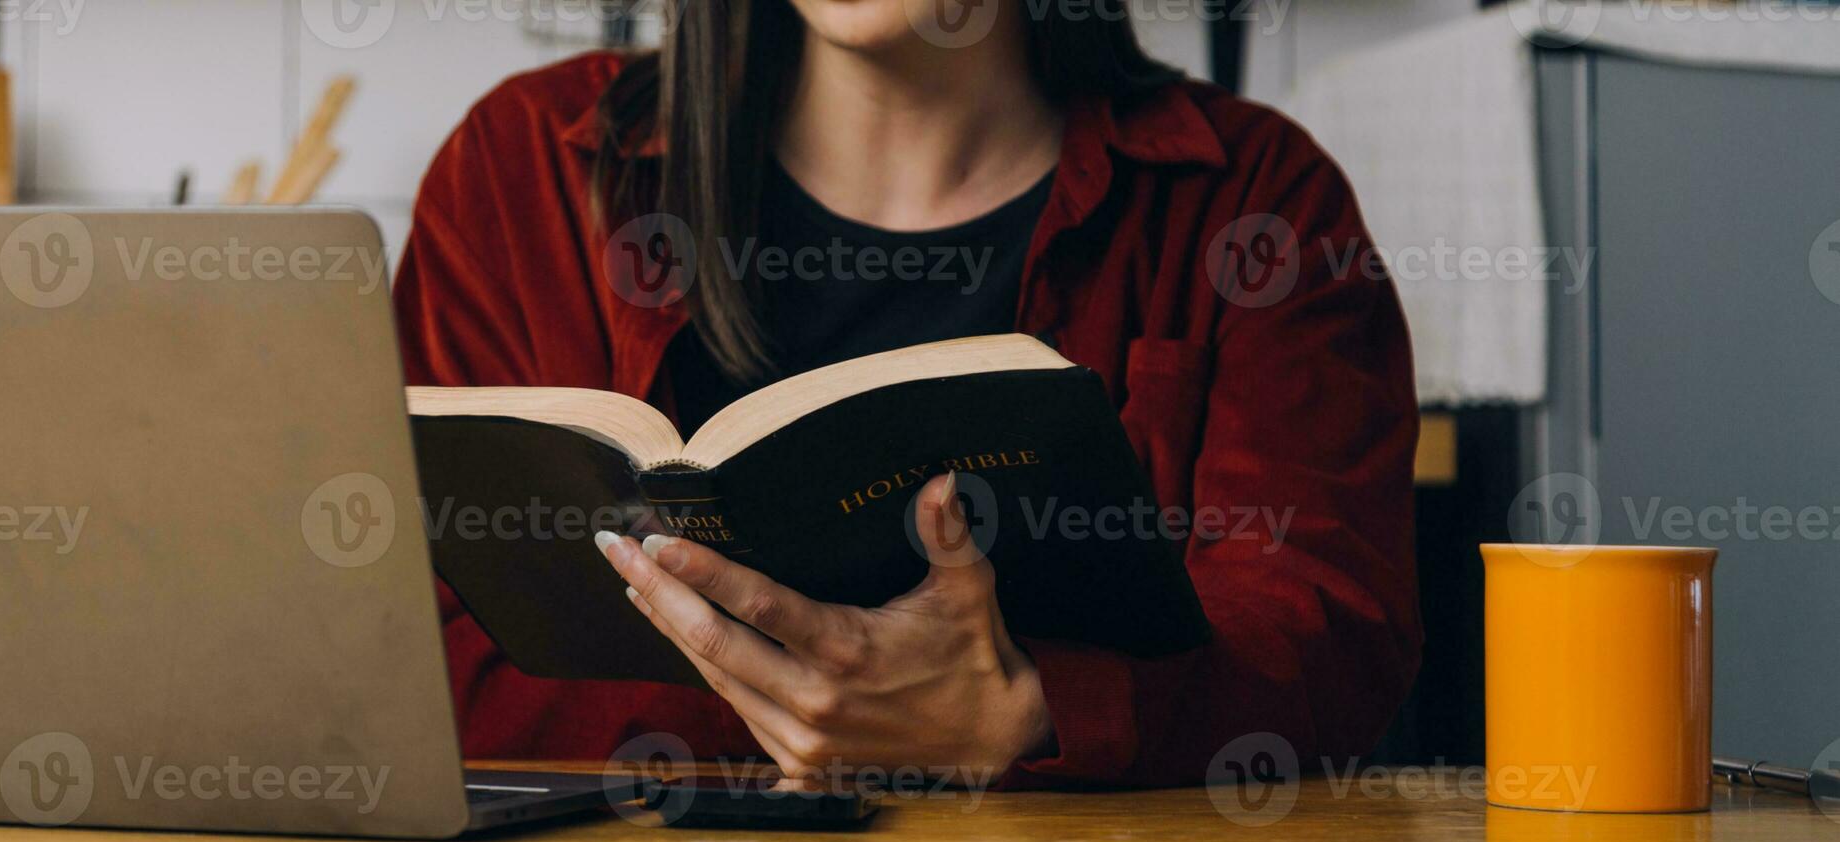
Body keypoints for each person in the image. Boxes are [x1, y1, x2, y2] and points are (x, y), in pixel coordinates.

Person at [392, 0, 1421, 787]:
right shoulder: (518, 168)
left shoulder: (1252, 196)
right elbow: (406, 629)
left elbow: (1328, 631)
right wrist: (835, 711)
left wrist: (1026, 711)